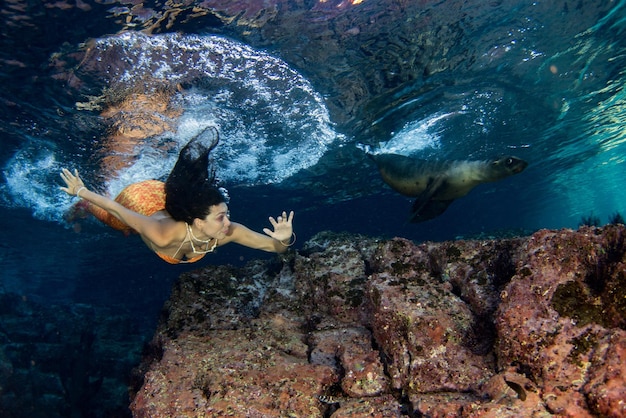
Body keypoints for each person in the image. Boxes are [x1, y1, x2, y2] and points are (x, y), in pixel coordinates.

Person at [59, 126, 295, 264]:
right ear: (199, 222)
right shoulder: (162, 235)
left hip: (169, 200)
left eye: (226, 214)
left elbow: (275, 249)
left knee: (133, 226)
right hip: (139, 199)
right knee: (116, 222)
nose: (228, 222)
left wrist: (283, 239)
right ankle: (81, 207)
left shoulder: (228, 232)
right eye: (220, 217)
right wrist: (81, 191)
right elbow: (116, 209)